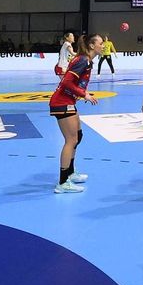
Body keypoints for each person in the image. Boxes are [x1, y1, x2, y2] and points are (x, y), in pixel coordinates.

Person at [50, 33, 102, 193]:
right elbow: (66, 82)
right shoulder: (83, 60)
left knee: (77, 137)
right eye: (100, 43)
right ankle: (63, 182)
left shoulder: (86, 60)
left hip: (68, 102)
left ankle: (70, 173)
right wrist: (84, 94)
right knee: (71, 140)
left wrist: (80, 93)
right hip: (62, 103)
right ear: (92, 46)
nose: (103, 45)